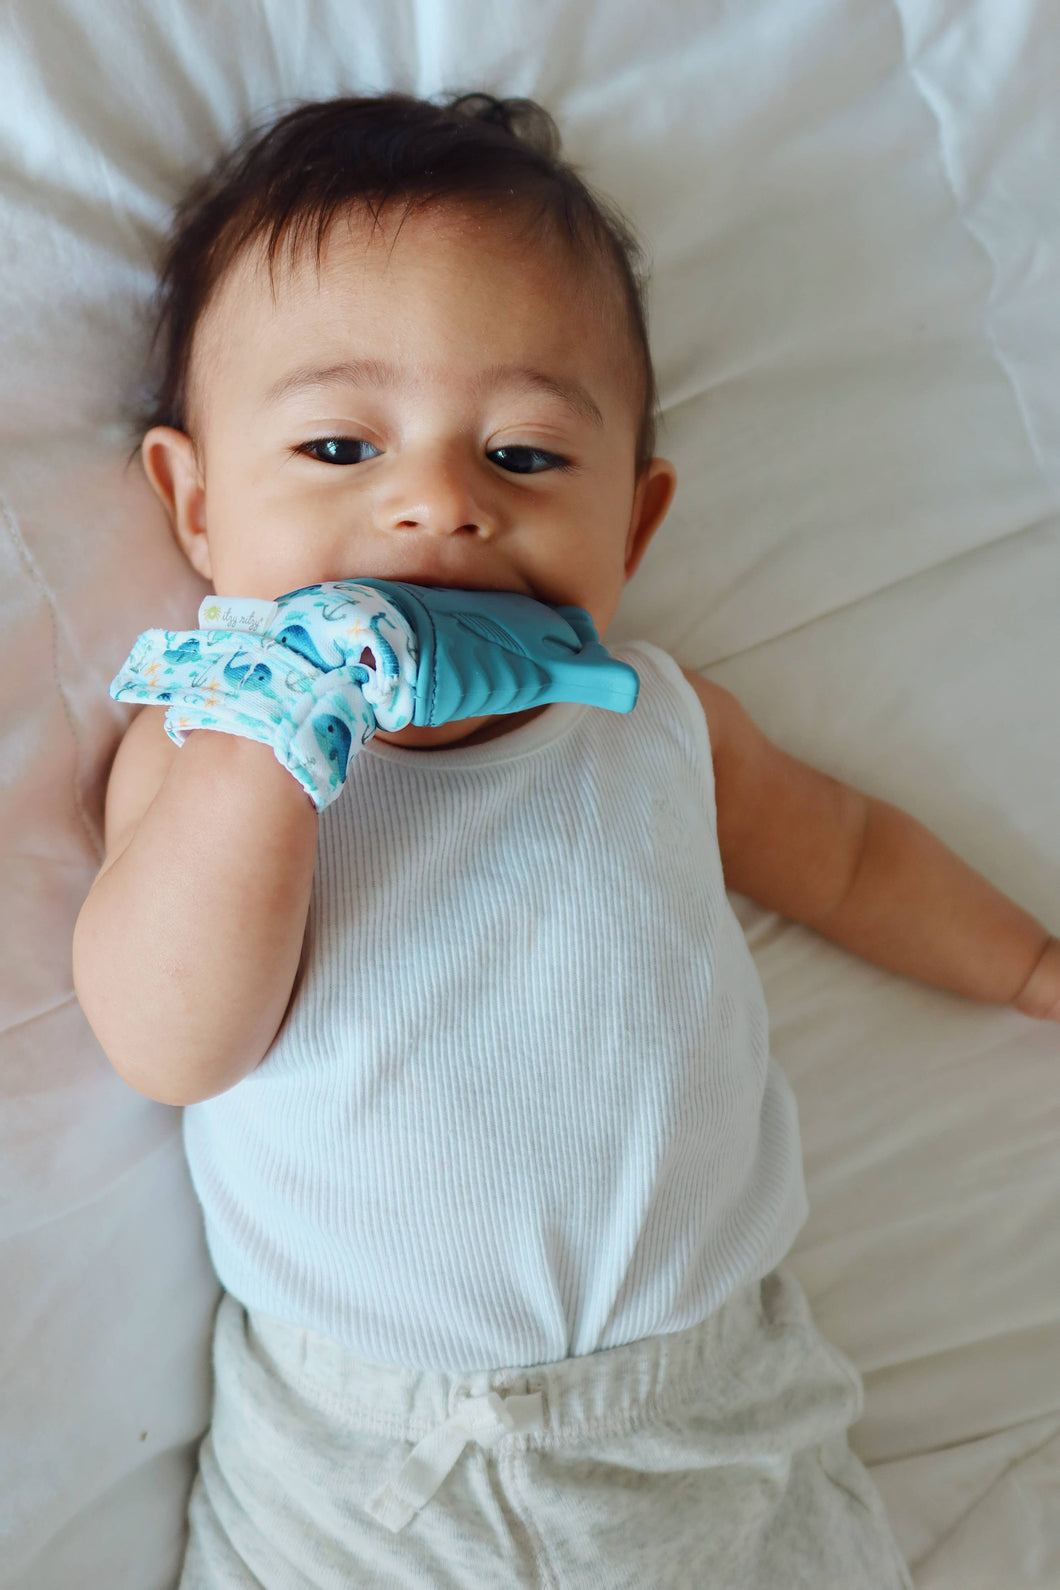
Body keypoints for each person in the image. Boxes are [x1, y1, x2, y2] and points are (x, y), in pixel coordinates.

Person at [72, 90, 1059, 1589]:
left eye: (526, 457)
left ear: (635, 525)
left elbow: (852, 855)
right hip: (359, 1467)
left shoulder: (656, 722)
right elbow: (170, 1042)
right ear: (197, 505)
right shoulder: (206, 747)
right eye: (339, 444)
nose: (437, 505)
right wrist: (272, 741)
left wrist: (1030, 964)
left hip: (714, 1421)